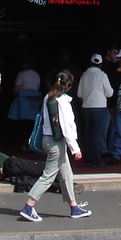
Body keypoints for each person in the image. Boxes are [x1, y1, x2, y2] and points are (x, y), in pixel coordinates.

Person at [19, 71, 92, 221]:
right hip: (57, 143)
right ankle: (28, 206)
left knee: (66, 174)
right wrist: (75, 148)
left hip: (48, 140)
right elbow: (66, 127)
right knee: (48, 176)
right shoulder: (62, 101)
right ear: (69, 86)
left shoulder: (49, 97)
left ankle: (74, 207)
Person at [76, 53, 114, 166]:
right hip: (100, 107)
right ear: (101, 64)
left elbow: (79, 94)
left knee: (87, 133)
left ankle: (87, 159)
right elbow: (110, 93)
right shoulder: (102, 76)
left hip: (87, 107)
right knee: (96, 134)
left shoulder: (84, 76)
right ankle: (97, 160)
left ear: (90, 63)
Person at [7, 57, 42, 121]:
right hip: (35, 102)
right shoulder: (37, 75)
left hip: (23, 101)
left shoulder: (21, 74)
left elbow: (16, 89)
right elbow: (38, 88)